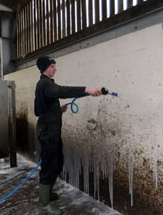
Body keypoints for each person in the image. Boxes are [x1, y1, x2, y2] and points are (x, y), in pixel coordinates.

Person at [34, 55, 101, 215]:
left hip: (51, 131)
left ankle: (48, 194)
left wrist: (58, 109)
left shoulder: (43, 85)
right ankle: (43, 205)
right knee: (50, 165)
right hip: (49, 133)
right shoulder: (45, 83)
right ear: (44, 68)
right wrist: (86, 89)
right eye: (52, 66)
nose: (55, 69)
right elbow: (61, 91)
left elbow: (38, 110)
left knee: (57, 162)